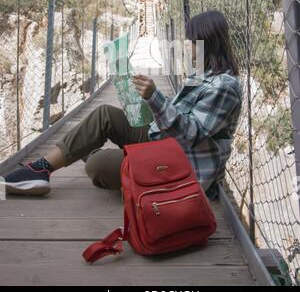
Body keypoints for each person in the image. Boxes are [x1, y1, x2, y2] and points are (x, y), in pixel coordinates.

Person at [3, 10, 243, 199]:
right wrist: (145, 97)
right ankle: (40, 169)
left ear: (207, 43)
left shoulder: (224, 87)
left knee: (98, 164)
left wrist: (155, 98)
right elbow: (182, 115)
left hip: (180, 167)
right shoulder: (203, 75)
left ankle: (88, 150)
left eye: (191, 40)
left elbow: (192, 135)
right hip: (164, 142)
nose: (186, 44)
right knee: (104, 114)